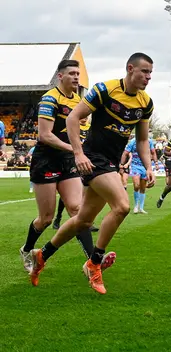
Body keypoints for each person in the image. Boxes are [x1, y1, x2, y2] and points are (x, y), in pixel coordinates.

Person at [28, 53, 155, 294]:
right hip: (93, 159)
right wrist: (78, 153)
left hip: (109, 162)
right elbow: (73, 118)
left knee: (83, 220)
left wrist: (149, 166)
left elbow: (143, 140)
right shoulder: (104, 90)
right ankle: (94, 262)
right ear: (130, 69)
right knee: (122, 206)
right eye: (144, 71)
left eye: (150, 73)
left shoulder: (145, 103)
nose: (148, 77)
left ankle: (41, 256)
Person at [20, 60, 114, 275]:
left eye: (78, 73)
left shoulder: (80, 102)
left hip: (68, 161)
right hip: (46, 161)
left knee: (77, 210)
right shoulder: (50, 98)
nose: (76, 77)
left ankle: (92, 263)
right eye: (71, 73)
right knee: (45, 219)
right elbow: (44, 135)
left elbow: (84, 131)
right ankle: (27, 250)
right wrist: (74, 149)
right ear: (60, 76)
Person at [53, 117, 99, 232]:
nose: (84, 118)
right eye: (82, 115)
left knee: (86, 192)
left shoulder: (91, 128)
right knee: (69, 194)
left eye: (86, 116)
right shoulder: (71, 125)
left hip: (87, 161)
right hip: (72, 161)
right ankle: (58, 217)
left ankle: (87, 220)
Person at [121, 136, 158, 214]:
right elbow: (125, 153)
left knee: (143, 187)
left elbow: (153, 152)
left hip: (145, 166)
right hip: (135, 166)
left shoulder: (149, 141)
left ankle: (141, 208)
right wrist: (121, 164)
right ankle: (136, 205)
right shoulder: (133, 141)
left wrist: (156, 163)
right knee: (136, 185)